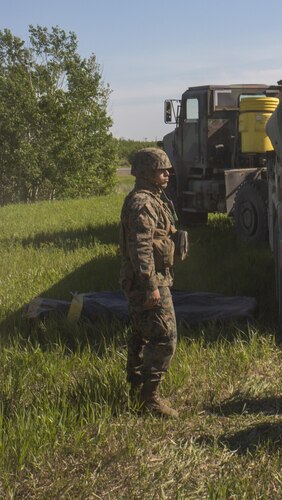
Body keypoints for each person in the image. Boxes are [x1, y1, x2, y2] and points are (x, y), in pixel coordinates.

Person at [120, 147, 180, 418]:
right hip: (148, 281)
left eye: (166, 169)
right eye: (160, 169)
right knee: (165, 337)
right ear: (146, 172)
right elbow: (140, 246)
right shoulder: (143, 203)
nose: (166, 173)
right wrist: (150, 285)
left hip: (147, 279)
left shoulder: (151, 198)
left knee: (142, 334)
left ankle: (136, 388)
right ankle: (149, 399)